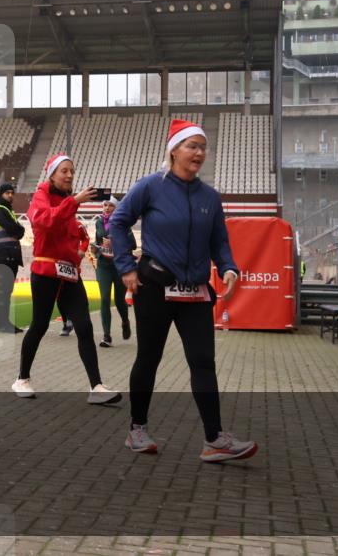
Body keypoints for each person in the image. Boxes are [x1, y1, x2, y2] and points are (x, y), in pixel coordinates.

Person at [110, 119, 256, 463]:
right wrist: (126, 267)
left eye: (203, 147)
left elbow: (219, 241)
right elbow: (118, 221)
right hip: (154, 287)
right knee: (149, 357)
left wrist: (229, 267)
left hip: (196, 293)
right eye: (192, 146)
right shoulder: (150, 186)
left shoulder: (210, 197)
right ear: (174, 150)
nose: (199, 153)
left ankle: (214, 439)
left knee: (203, 361)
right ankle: (137, 429)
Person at [11, 154, 121, 405]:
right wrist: (74, 201)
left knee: (84, 326)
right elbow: (44, 222)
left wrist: (77, 256)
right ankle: (22, 378)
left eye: (72, 170)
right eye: (64, 171)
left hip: (70, 274)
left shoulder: (66, 202)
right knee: (39, 325)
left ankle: (96, 386)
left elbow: (72, 237)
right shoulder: (41, 195)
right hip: (46, 272)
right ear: (51, 174)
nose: (70, 175)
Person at [93, 196, 135, 347]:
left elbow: (133, 244)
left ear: (116, 208)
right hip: (103, 266)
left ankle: (125, 321)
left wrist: (115, 242)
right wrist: (96, 247)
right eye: (105, 205)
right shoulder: (98, 222)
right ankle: (107, 336)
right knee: (104, 298)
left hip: (119, 266)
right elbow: (98, 240)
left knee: (119, 300)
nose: (107, 208)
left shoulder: (123, 223)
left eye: (110, 205)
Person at [0, 183, 25, 334]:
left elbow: (19, 230)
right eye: (7, 193)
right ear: (1, 193)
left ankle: (4, 323)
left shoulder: (5, 209)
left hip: (7, 255)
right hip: (4, 254)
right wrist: (19, 230)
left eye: (12, 193)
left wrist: (19, 230)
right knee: (3, 291)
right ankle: (2, 324)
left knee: (6, 291)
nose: (10, 195)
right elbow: (15, 229)